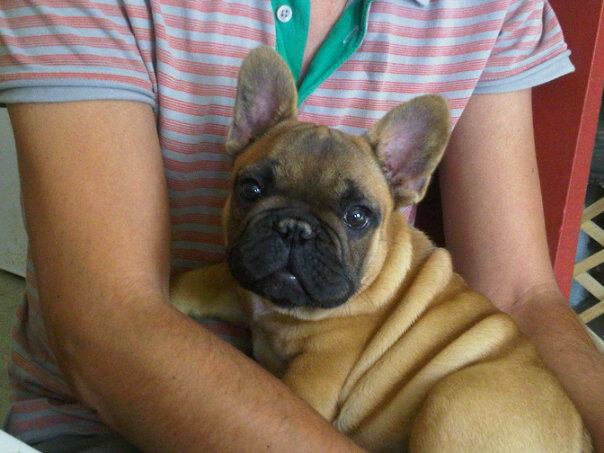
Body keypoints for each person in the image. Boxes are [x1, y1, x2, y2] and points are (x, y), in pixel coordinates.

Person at [1, 0, 603, 451]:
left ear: (406, 177)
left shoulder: (490, 8)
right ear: (245, 131)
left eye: (355, 216)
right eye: (256, 191)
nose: (296, 234)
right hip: (108, 424)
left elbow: (520, 293)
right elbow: (106, 327)